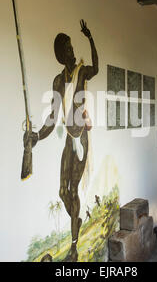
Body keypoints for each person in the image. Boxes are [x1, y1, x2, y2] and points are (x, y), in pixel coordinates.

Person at [24, 20, 98, 262]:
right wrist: (36, 137)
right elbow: (53, 117)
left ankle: (74, 249)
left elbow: (96, 68)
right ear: (60, 54)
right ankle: (75, 219)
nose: (72, 51)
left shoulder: (82, 72)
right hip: (68, 140)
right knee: (62, 192)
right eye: (67, 48)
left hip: (81, 139)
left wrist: (90, 38)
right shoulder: (58, 81)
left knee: (73, 190)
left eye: (72, 46)